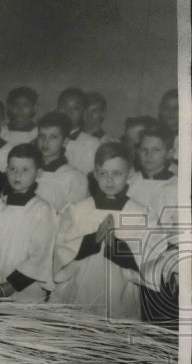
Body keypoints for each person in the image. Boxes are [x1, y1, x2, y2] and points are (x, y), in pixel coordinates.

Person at [50, 143, 149, 320]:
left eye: (117, 173)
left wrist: (117, 247)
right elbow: (60, 250)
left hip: (121, 294)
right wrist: (91, 241)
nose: (109, 180)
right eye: (103, 173)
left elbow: (149, 264)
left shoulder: (139, 213)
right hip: (79, 288)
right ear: (95, 174)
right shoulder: (78, 210)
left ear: (130, 175)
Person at [0, 144, 57, 303]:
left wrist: (11, 285)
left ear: (38, 173)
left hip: (23, 290)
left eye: (25, 170)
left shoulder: (43, 210)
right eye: (13, 169)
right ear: (6, 170)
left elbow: (40, 255)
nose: (17, 175)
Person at [128, 128, 180, 324]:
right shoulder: (130, 181)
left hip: (159, 263)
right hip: (126, 258)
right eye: (144, 149)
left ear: (169, 154)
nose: (148, 155)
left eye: (156, 150)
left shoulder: (176, 188)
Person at [34, 111, 88, 214]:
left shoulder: (74, 178)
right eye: (42, 136)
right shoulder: (27, 171)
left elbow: (75, 218)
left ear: (65, 141)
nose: (45, 142)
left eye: (53, 137)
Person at [57, 87, 100, 175]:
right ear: (57, 109)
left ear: (84, 113)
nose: (68, 112)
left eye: (76, 108)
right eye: (64, 107)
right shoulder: (46, 138)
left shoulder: (91, 144)